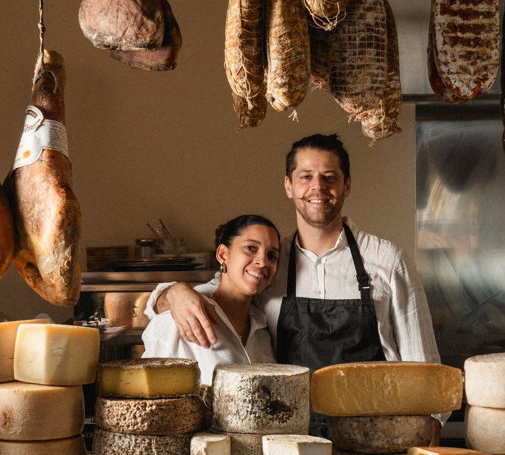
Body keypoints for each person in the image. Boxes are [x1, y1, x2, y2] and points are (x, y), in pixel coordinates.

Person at [144, 134, 441, 437]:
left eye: (329, 177)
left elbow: (426, 370)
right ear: (289, 186)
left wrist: (431, 437)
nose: (318, 187)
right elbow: (215, 294)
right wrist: (174, 291)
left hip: (377, 440)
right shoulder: (271, 263)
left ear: (346, 185)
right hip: (290, 441)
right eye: (306, 176)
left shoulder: (387, 261)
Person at [141, 215, 280, 385]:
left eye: (272, 256)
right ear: (222, 254)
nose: (262, 262)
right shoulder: (177, 319)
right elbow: (147, 399)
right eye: (251, 248)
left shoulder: (263, 331)